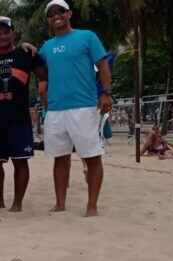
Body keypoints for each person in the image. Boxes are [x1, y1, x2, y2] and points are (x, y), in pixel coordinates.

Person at [40, 0, 112, 217]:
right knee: (60, 157)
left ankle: (92, 206)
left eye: (60, 12)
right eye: (51, 14)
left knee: (91, 157)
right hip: (55, 110)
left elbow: (103, 66)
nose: (56, 16)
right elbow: (38, 69)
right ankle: (60, 203)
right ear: (49, 20)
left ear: (69, 14)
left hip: (84, 106)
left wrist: (106, 92)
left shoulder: (87, 37)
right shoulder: (46, 47)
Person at [0, 17, 48, 213]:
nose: (2, 36)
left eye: (6, 32)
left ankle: (17, 203)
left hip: (19, 118)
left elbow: (43, 75)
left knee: (20, 160)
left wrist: (44, 98)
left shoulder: (25, 53)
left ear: (13, 33)